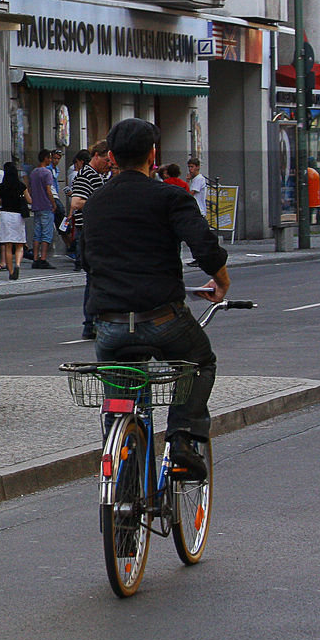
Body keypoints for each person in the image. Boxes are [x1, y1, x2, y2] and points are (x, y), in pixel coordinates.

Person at [83, 119, 230, 482]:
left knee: (121, 393)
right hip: (162, 318)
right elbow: (206, 248)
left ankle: (119, 447)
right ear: (153, 154)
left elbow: (88, 261)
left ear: (112, 156)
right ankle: (180, 439)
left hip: (111, 323)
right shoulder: (169, 197)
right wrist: (221, 282)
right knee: (199, 363)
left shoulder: (95, 203)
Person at [70, 140, 112, 336]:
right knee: (94, 278)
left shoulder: (98, 176)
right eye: (106, 159)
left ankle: (96, 320)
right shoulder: (85, 175)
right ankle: (91, 323)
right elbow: (76, 202)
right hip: (89, 231)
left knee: (98, 277)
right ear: (96, 156)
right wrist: (101, 204)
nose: (108, 163)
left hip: (98, 231)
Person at [0, 161, 32, 280]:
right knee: (19, 244)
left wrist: (0, 201)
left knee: (8, 246)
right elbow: (29, 200)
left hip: (5, 216)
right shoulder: (21, 186)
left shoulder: (0, 187)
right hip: (18, 216)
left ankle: (10, 272)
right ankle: (18, 265)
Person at [28, 149, 58, 269]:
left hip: (36, 206)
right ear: (45, 158)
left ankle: (35, 258)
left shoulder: (33, 173)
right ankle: (43, 258)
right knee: (46, 234)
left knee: (37, 234)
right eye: (49, 158)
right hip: (46, 206)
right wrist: (53, 203)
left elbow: (30, 188)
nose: (50, 160)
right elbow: (48, 190)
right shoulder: (47, 172)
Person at [306, 159, 320, 225]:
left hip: (310, 193)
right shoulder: (316, 171)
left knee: (310, 209)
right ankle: (319, 220)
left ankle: (310, 221)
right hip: (317, 192)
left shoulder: (309, 171)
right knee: (318, 207)